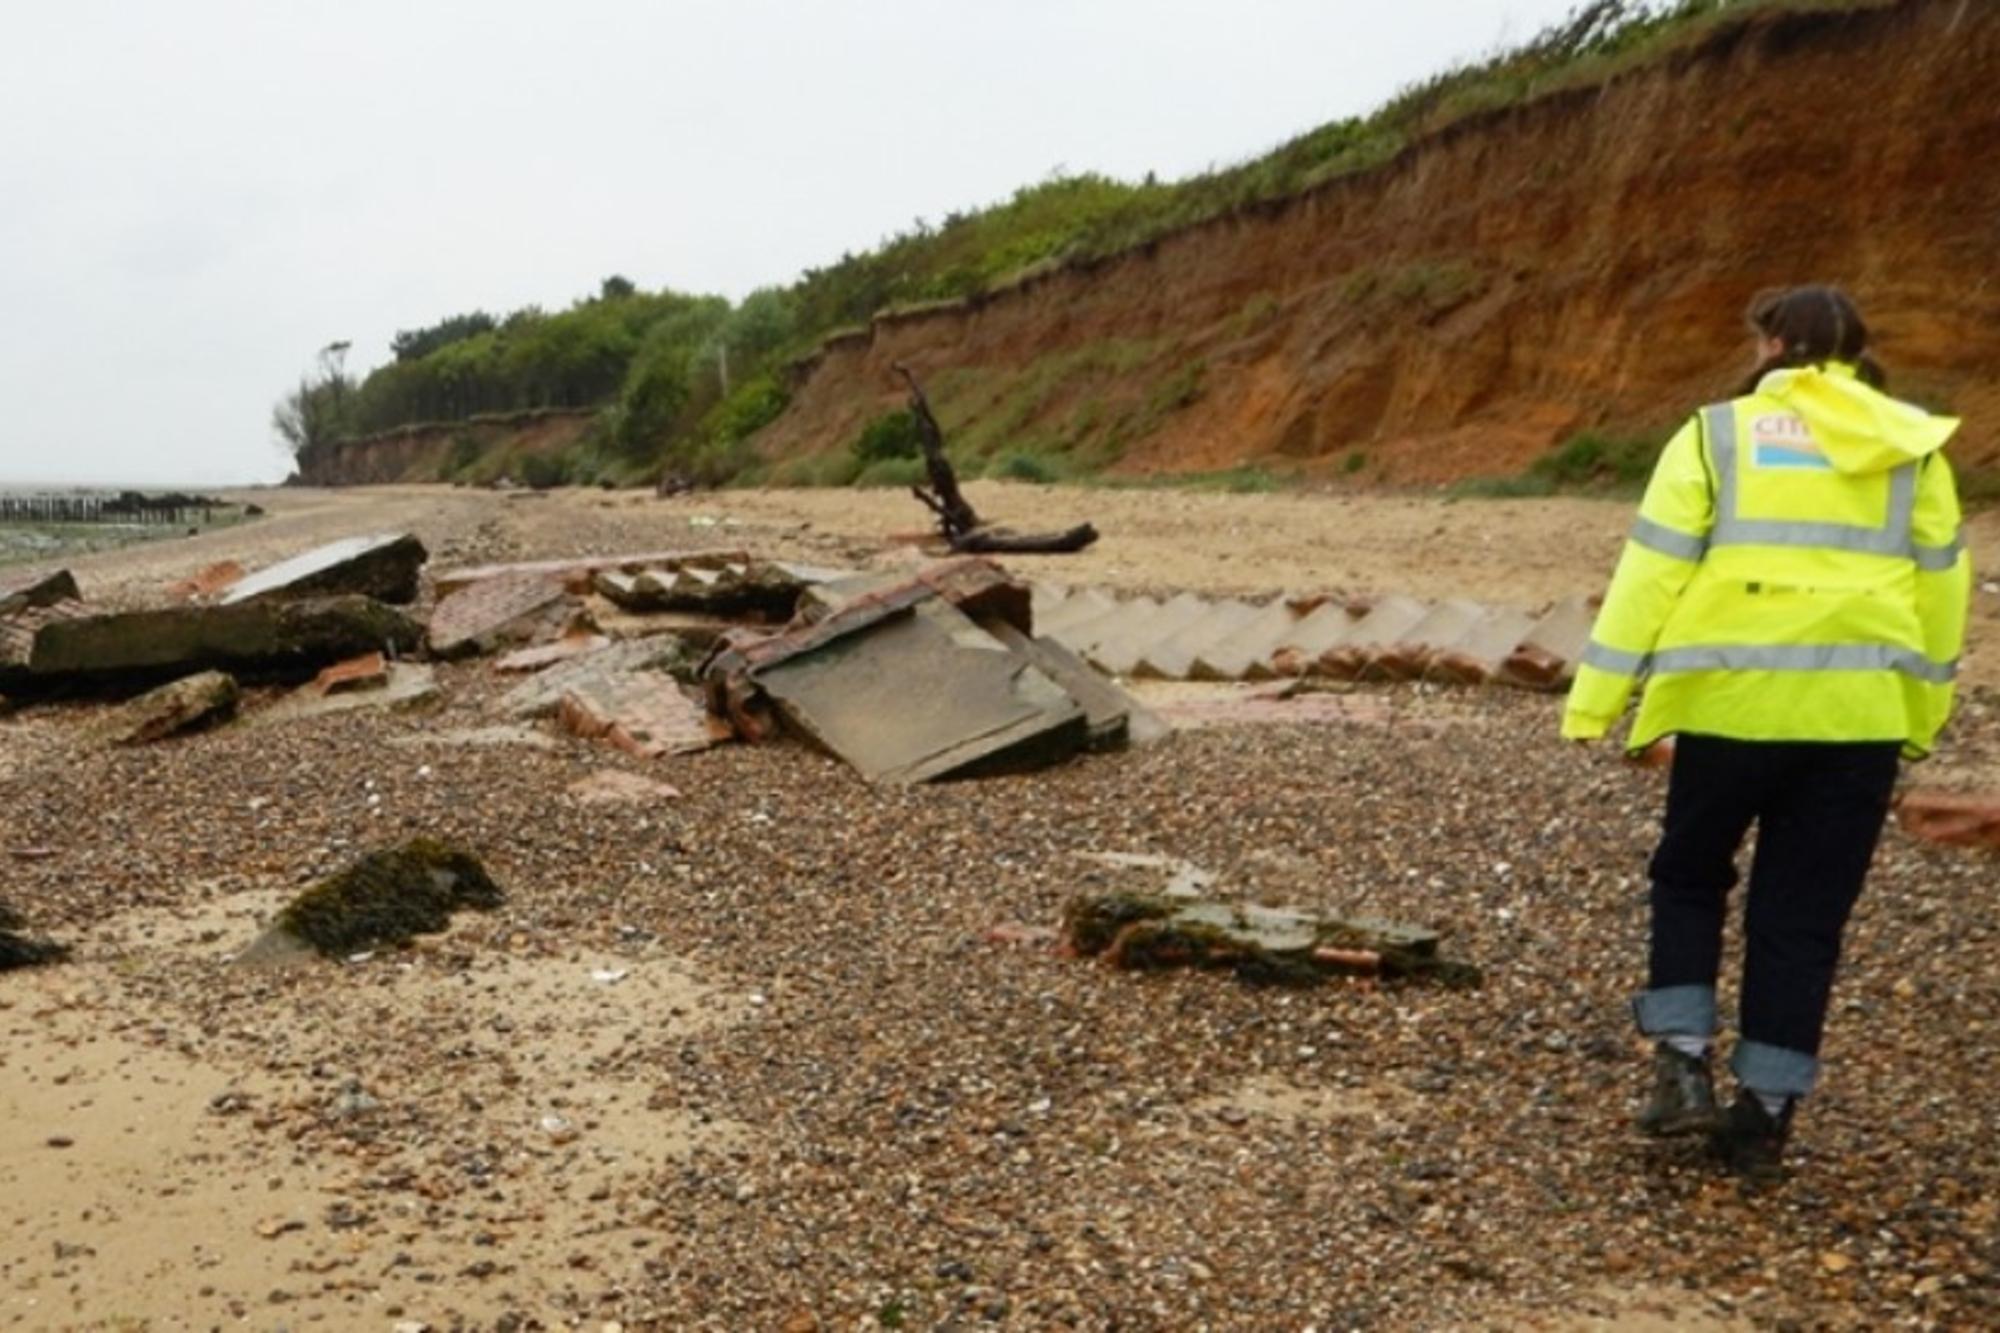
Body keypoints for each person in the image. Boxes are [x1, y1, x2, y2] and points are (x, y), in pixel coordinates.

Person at [1562, 285, 1972, 1182]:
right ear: (1854, 354)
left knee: (1690, 874)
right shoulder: (1913, 447)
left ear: (1776, 346)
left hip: (1731, 705)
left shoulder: (1718, 435)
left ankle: (1681, 1066)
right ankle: (1766, 1114)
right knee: (1803, 916)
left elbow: (1651, 571)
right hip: (1859, 719)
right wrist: (1920, 721)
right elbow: (1942, 597)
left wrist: (1597, 699)